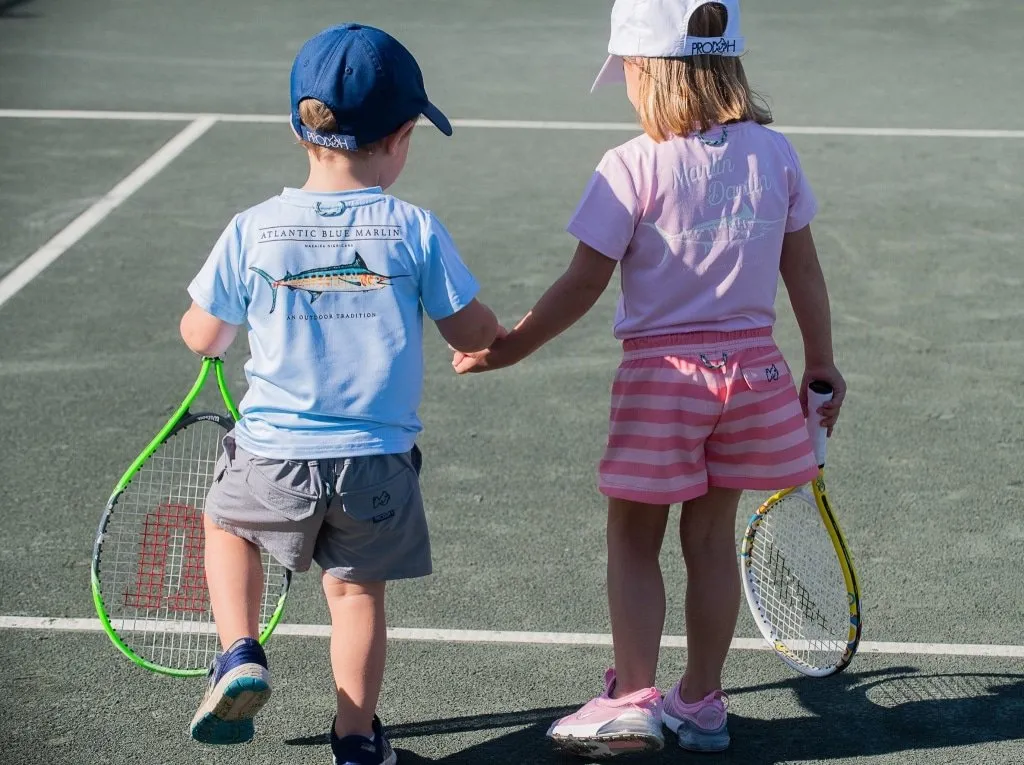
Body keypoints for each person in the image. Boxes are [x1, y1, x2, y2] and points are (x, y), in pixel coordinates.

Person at [453, 0, 845, 756]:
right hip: (758, 375)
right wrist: (820, 361)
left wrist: (512, 346)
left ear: (649, 72)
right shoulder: (778, 153)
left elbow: (582, 282)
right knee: (711, 536)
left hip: (663, 380)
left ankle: (632, 695)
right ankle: (700, 700)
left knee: (634, 538)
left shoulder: (628, 164)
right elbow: (805, 268)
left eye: (628, 70)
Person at [179, 23, 499, 765]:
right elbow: (471, 328)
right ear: (401, 137)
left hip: (273, 453)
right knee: (356, 598)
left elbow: (203, 335)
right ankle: (356, 739)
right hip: (377, 464)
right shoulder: (414, 228)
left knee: (225, 525)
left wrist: (220, 326)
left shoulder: (252, 229)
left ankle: (238, 652)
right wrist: (495, 337)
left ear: (301, 128)